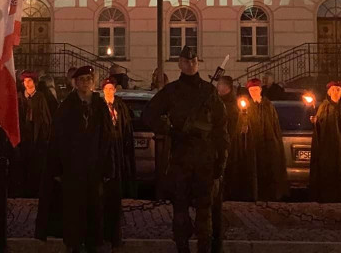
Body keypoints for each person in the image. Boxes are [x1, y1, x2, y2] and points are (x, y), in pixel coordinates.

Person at [143, 46, 228, 253]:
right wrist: (170, 130)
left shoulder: (209, 92)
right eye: (186, 62)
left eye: (193, 62)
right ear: (180, 64)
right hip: (181, 158)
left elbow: (221, 127)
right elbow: (149, 115)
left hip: (205, 160)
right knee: (180, 210)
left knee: (205, 212)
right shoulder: (171, 91)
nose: (190, 65)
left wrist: (221, 160)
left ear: (197, 63)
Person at [36, 66, 113, 253]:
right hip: (72, 169)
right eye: (82, 79)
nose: (85, 82)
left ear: (92, 82)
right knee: (73, 211)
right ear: (76, 83)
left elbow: (107, 138)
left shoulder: (100, 106)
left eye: (88, 79)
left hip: (94, 169)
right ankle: (74, 244)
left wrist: (107, 168)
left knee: (94, 209)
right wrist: (58, 169)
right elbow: (57, 140)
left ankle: (94, 244)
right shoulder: (67, 107)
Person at [308, 81, 341, 203]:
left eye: (338, 90)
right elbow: (320, 128)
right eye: (333, 90)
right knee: (328, 174)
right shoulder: (324, 107)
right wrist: (316, 122)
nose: (335, 93)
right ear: (329, 92)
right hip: (328, 149)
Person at [102, 76, 136, 248]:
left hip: (119, 146)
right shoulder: (100, 108)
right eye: (106, 89)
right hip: (107, 150)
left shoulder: (120, 107)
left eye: (111, 89)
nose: (109, 91)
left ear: (114, 90)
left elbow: (126, 127)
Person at [245, 78, 287, 200]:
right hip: (253, 145)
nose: (253, 92)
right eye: (251, 90)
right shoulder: (246, 106)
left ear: (260, 90)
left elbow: (274, 126)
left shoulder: (268, 106)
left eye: (256, 89)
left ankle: (269, 196)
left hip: (267, 145)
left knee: (268, 171)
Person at [217, 76, 256, 201]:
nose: (218, 87)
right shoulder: (217, 102)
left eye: (221, 84)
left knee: (229, 169)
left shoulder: (233, 105)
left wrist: (243, 126)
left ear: (227, 87)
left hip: (231, 144)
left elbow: (235, 124)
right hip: (218, 142)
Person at [18, 70, 53, 198]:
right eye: (25, 81)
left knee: (36, 164)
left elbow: (45, 118)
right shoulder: (20, 97)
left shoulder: (40, 97)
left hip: (37, 135)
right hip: (25, 134)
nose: (27, 84)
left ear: (34, 82)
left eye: (29, 81)